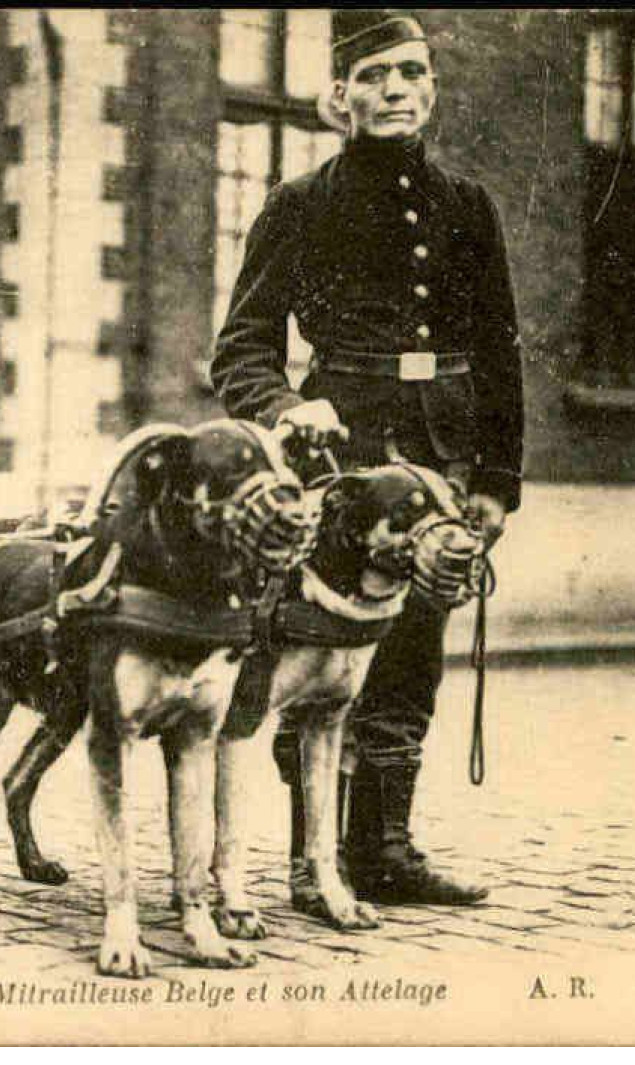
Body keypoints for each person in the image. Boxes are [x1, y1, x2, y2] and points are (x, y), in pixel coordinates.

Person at [210, 11, 524, 907]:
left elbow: (499, 353)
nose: (395, 90)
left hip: (442, 459)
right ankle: (318, 860)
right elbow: (240, 351)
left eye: (411, 74)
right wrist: (285, 408)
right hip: (338, 464)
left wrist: (496, 479)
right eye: (376, 75)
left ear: (431, 89)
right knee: (321, 652)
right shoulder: (299, 207)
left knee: (413, 647)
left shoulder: (468, 208)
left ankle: (382, 849)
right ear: (339, 94)